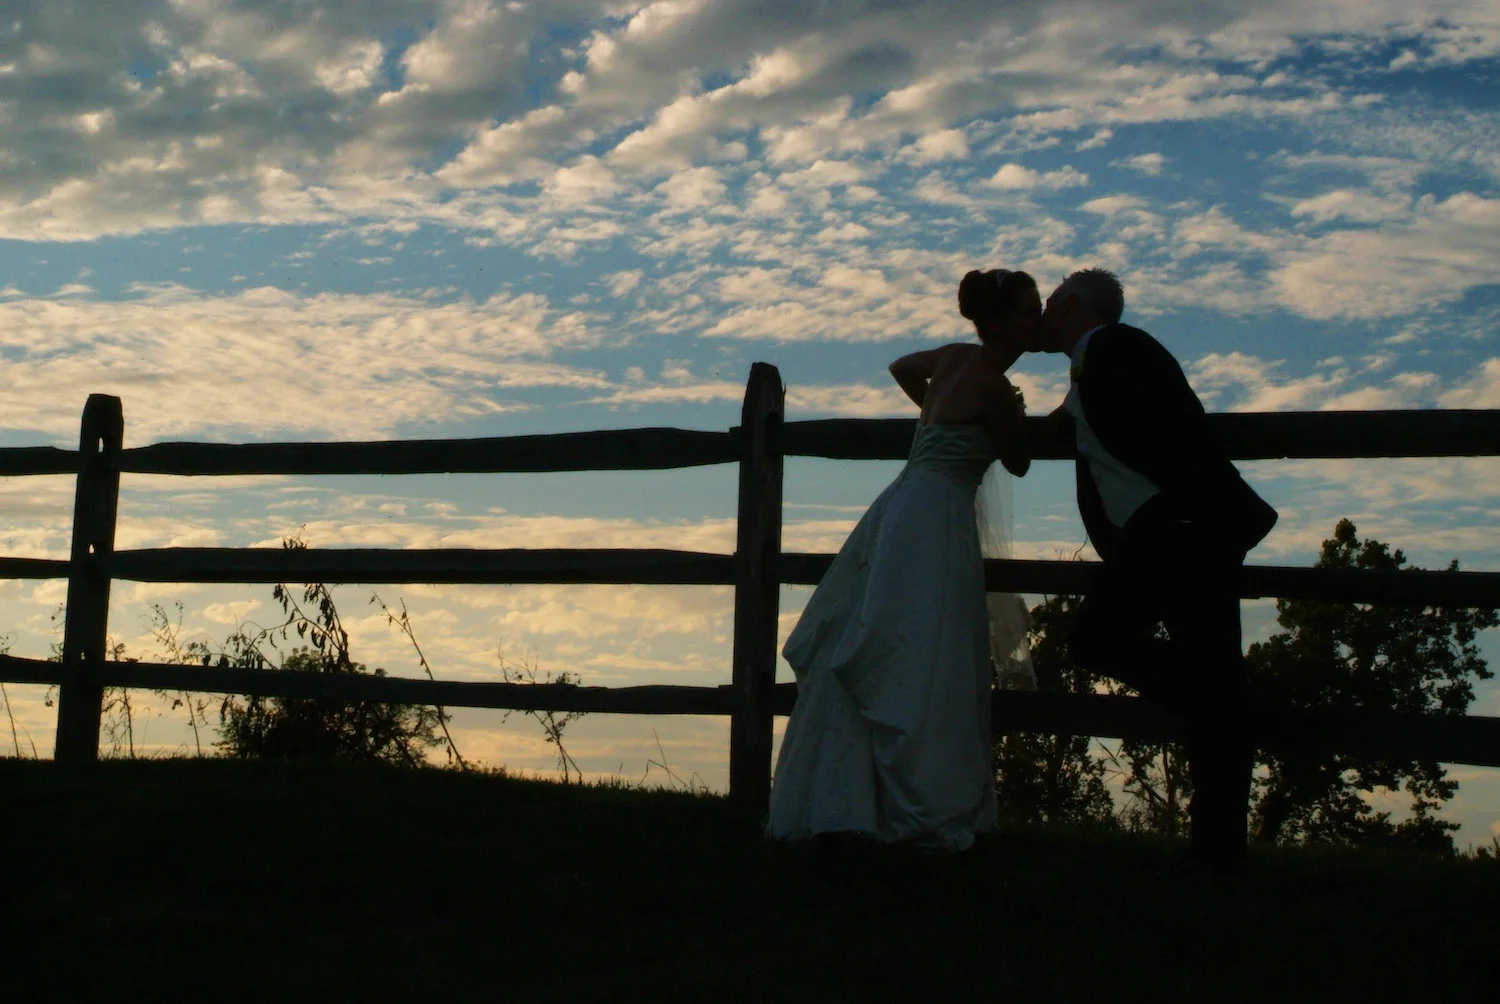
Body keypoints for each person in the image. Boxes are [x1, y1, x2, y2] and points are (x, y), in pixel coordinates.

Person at [766, 268, 1041, 852]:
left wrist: (933, 413)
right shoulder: (992, 383)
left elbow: (902, 367)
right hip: (937, 516)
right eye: (1025, 312)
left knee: (885, 628)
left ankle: (850, 796)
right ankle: (909, 802)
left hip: (906, 500)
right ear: (996, 322)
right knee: (921, 640)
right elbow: (1019, 460)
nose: (1034, 321)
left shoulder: (952, 358)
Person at [1036, 267, 1277, 876]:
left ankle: (1217, 825)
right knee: (1206, 683)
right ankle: (1217, 845)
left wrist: (1188, 518)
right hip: (1167, 537)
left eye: (1050, 304)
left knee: (1098, 640)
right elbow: (1077, 424)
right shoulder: (1091, 369)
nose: (1043, 313)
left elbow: (1171, 433)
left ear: (1071, 306)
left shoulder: (1121, 348)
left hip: (1182, 534)